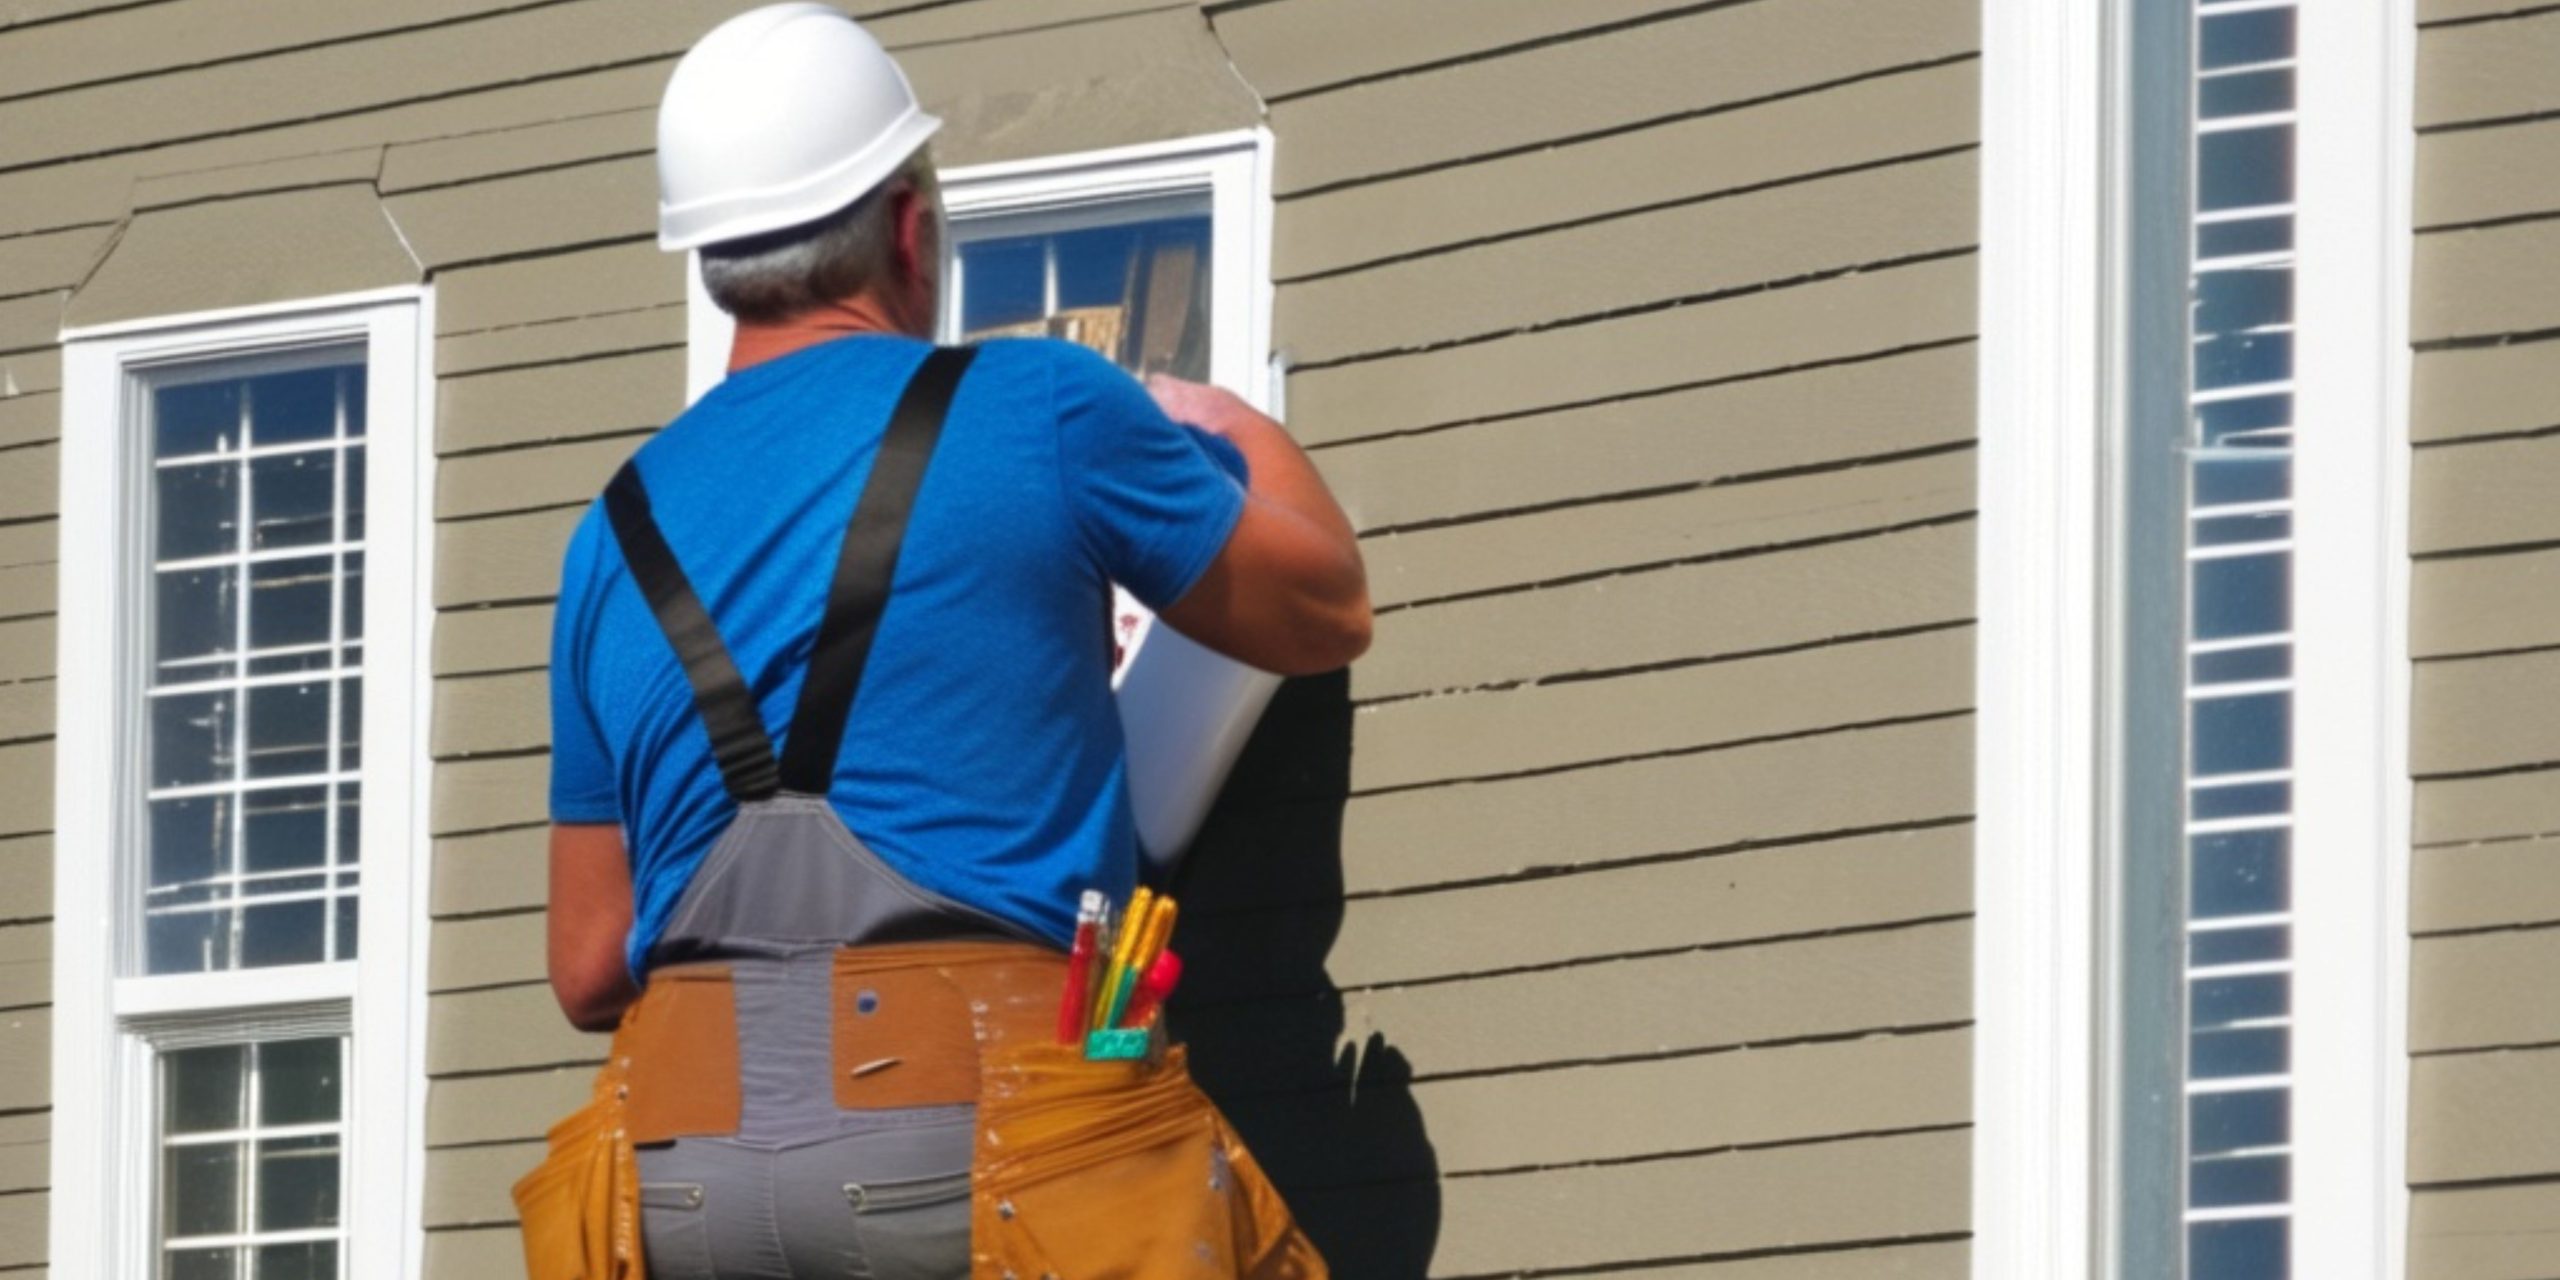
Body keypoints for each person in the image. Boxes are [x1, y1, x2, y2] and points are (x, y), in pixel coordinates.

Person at [539, 5, 1366, 1278]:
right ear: (913, 229)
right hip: (1000, 1141)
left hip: (682, 1182)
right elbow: (1321, 611)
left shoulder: (609, 535)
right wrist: (1217, 422)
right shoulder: (1037, 406)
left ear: (710, 264)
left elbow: (592, 966)